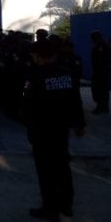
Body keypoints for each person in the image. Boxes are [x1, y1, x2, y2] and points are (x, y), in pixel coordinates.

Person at [22, 39, 85, 220]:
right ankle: (66, 204)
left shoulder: (35, 75)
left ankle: (50, 208)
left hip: (42, 130)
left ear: (39, 56)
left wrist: (28, 123)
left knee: (46, 171)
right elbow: (76, 100)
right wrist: (80, 123)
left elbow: (27, 104)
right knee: (62, 166)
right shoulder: (67, 73)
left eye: (34, 55)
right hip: (61, 129)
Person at [90, 30, 110, 114]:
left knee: (102, 90)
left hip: (102, 73)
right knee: (98, 90)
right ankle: (100, 106)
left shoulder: (103, 46)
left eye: (94, 37)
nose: (92, 39)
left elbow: (106, 59)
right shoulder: (98, 46)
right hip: (98, 72)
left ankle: (102, 107)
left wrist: (105, 69)